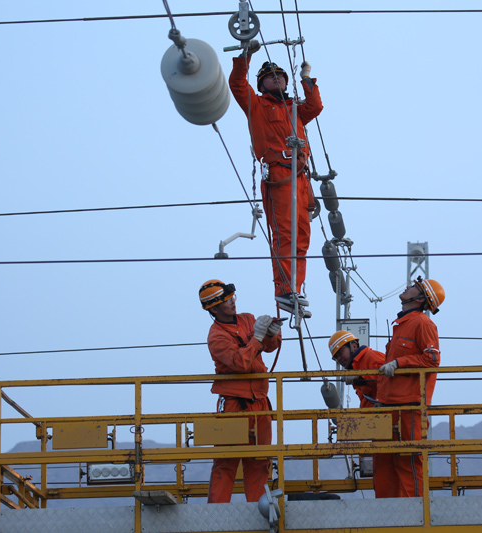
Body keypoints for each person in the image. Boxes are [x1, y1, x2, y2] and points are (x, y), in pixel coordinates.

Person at [229, 40, 324, 316]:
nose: (277, 78)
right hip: (279, 173)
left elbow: (316, 106)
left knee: (302, 235)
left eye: (280, 75)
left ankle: (294, 286)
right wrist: (245, 57)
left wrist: (306, 79)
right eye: (270, 77)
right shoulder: (256, 105)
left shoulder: (295, 108)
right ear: (262, 84)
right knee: (285, 232)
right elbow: (237, 84)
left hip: (301, 177)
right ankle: (283, 289)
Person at [199, 279, 283, 503]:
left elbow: (270, 346)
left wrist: (272, 334)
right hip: (234, 405)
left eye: (233, 298)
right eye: (227, 301)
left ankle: (258, 512)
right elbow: (240, 362)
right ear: (214, 309)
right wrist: (257, 338)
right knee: (226, 462)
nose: (233, 303)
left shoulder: (247, 319)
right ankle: (217, 514)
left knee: (260, 462)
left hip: (260, 403)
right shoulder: (216, 336)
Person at [374, 276, 445, 498]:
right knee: (383, 462)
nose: (408, 287)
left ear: (422, 299)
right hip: (387, 405)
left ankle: (413, 515)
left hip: (408, 407)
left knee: (408, 461)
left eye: (415, 287)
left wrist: (399, 363)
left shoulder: (423, 323)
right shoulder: (402, 324)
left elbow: (432, 359)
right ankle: (386, 515)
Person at [328, 330, 384, 408]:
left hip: (387, 415)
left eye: (340, 352)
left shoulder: (371, 356)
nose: (339, 358)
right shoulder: (356, 368)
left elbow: (389, 378)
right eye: (336, 357)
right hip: (374, 417)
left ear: (354, 346)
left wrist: (360, 377)